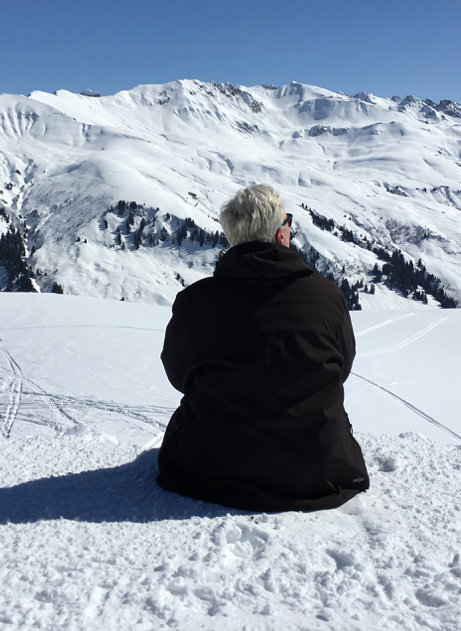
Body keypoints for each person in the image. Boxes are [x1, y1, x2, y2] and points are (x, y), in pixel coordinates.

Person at [156, 184, 369, 512]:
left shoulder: (195, 302)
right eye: (288, 222)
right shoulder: (326, 297)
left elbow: (178, 374)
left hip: (210, 470)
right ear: (280, 235)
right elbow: (342, 368)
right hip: (318, 471)